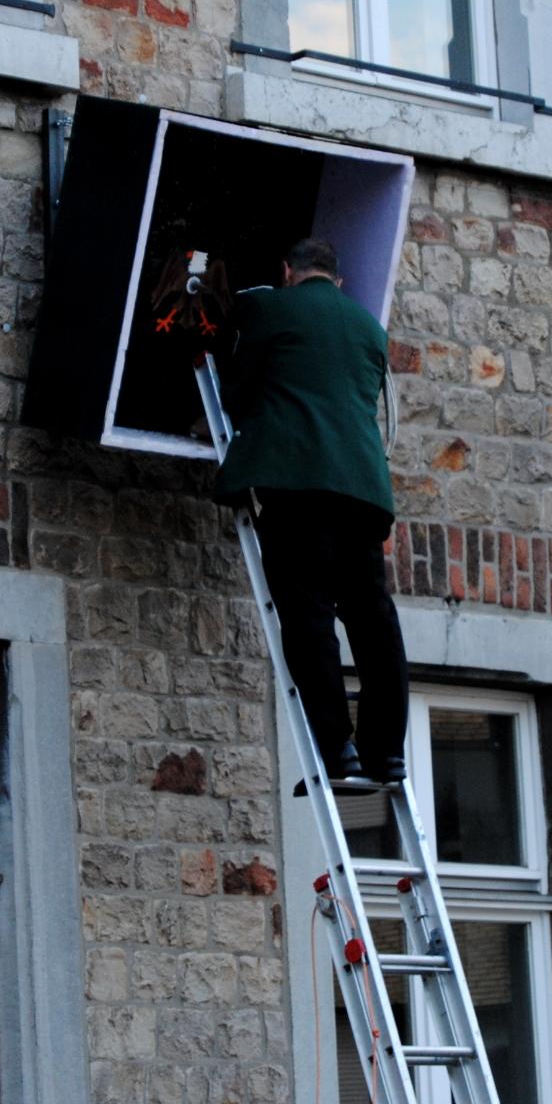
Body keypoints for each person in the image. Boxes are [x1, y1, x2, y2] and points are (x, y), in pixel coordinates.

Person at [216, 236, 408, 786]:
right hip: (363, 491)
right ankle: (385, 752)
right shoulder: (369, 329)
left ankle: (335, 749)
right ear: (339, 280)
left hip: (297, 485)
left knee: (308, 618)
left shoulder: (269, 307)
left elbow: (239, 390)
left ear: (287, 270)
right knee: (373, 623)